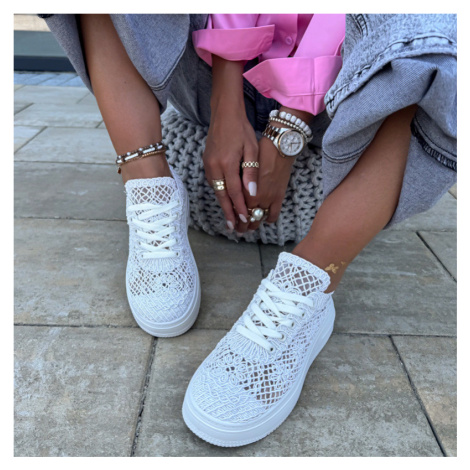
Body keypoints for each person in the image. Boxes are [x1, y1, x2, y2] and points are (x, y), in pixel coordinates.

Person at [41, 13, 457, 447]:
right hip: (207, 67)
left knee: (430, 27)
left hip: (342, 93)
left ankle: (309, 283)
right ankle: (150, 186)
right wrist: (226, 96)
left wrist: (290, 124)